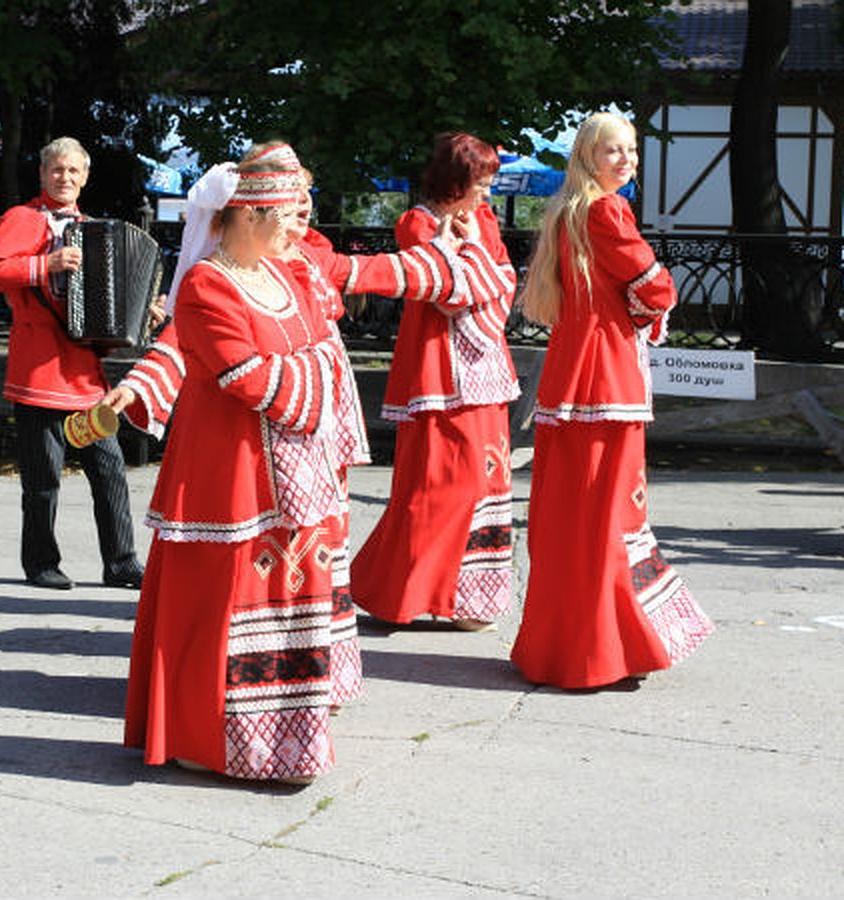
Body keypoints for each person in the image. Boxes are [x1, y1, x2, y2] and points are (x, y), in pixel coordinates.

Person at [108, 142, 473, 718]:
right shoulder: (231, 272)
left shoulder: (300, 257)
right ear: (254, 205)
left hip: (311, 432)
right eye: (293, 199)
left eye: (307, 198)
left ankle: (309, 678)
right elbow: (191, 340)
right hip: (274, 425)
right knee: (267, 560)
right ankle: (231, 697)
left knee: (319, 549)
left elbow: (372, 271)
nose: (304, 211)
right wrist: (144, 383)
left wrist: (441, 259)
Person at [510, 112, 714, 689]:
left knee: (571, 514)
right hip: (606, 375)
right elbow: (656, 286)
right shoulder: (606, 209)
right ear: (587, 157)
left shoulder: (565, 212)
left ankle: (567, 647)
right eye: (612, 151)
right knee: (608, 514)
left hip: (572, 372)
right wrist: (648, 306)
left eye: (631, 150)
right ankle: (602, 649)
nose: (625, 160)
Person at [350, 132, 520, 631]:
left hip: (486, 367)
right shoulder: (415, 224)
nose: (489, 192)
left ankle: (469, 598)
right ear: (456, 180)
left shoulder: (484, 220)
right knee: (439, 484)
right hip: (437, 372)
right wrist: (467, 254)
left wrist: (470, 257)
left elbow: (505, 283)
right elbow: (448, 290)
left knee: (487, 482)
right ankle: (397, 591)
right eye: (482, 182)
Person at [0, 136, 144, 591]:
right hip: (37, 372)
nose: (64, 178)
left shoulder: (93, 230)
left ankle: (121, 563)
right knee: (43, 479)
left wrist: (142, 317)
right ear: (43, 174)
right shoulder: (23, 218)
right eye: (56, 170)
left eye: (73, 172)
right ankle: (41, 562)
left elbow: (105, 313)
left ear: (85, 178)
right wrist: (42, 266)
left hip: (85, 377)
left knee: (110, 472)